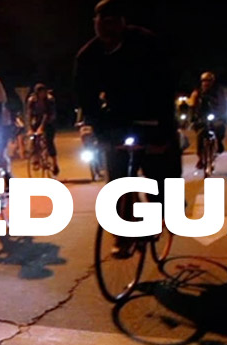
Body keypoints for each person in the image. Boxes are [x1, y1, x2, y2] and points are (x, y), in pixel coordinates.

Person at [73, 0, 182, 257]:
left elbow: (166, 86)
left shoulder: (146, 43)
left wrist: (163, 132)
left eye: (112, 22)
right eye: (101, 23)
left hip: (152, 114)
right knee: (117, 179)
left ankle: (163, 211)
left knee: (161, 176)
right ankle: (123, 236)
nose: (107, 29)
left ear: (123, 23)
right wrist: (98, 130)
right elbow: (86, 97)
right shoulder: (88, 56)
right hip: (117, 118)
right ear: (95, 24)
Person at [189, 71, 227, 168]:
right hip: (201, 117)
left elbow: (223, 105)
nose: (206, 83)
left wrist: (223, 116)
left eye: (208, 81)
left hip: (216, 116)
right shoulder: (197, 92)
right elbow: (192, 105)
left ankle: (219, 142)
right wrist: (192, 118)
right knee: (200, 135)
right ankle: (200, 158)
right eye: (204, 81)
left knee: (221, 127)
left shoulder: (218, 91)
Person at [26, 83, 60, 176]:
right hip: (37, 120)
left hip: (49, 121)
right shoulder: (32, 100)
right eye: (40, 93)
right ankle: (35, 157)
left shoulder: (50, 100)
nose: (42, 95)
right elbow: (29, 114)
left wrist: (41, 127)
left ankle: (54, 163)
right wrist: (30, 128)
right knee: (33, 139)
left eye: (43, 92)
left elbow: (47, 115)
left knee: (49, 141)